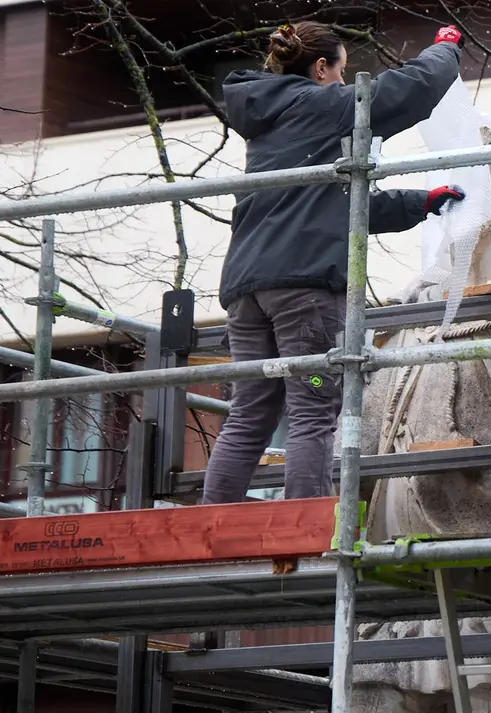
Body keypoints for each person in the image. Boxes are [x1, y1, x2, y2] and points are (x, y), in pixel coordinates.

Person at [200, 22, 468, 505]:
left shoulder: (268, 124)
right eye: (342, 71)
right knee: (313, 407)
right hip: (304, 292)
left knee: (249, 412)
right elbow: (408, 91)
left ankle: (208, 532)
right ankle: (305, 530)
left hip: (247, 290)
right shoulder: (320, 104)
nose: (346, 83)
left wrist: (418, 202)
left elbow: (334, 207)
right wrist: (444, 51)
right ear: (320, 69)